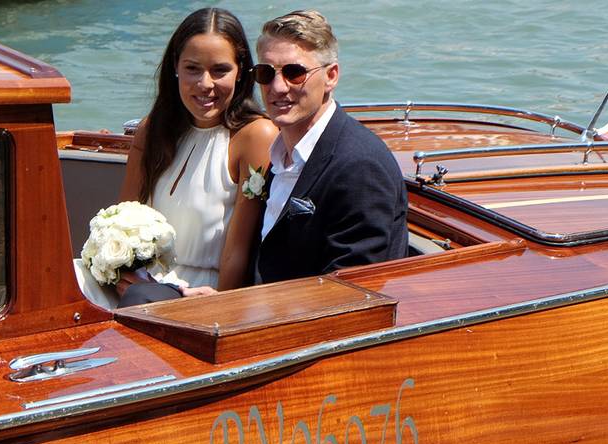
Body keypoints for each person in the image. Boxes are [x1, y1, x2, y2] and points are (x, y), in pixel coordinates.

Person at [118, 7, 277, 306]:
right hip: (139, 287)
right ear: (175, 66)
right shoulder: (152, 129)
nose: (205, 84)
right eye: (193, 69)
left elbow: (237, 252)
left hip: (203, 295)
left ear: (240, 70)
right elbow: (123, 221)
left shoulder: (256, 137)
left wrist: (220, 309)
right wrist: (123, 275)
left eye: (219, 70)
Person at [252, 10, 408, 284]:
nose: (277, 87)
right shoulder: (278, 155)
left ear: (331, 76)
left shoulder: (359, 167)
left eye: (294, 73)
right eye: (266, 73)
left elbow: (349, 289)